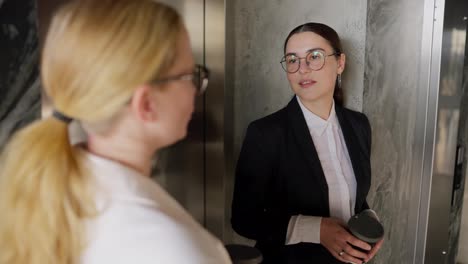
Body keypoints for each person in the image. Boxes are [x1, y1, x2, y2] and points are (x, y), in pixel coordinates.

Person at [0, 1, 231, 264]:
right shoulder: (174, 249)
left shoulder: (44, 191)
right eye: (191, 76)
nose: (195, 88)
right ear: (146, 104)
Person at [231, 22, 384, 264]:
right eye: (292, 60)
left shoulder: (359, 125)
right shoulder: (265, 133)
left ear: (340, 63)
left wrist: (370, 222)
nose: (302, 68)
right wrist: (317, 229)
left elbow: (354, 198)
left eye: (315, 57)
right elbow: (243, 219)